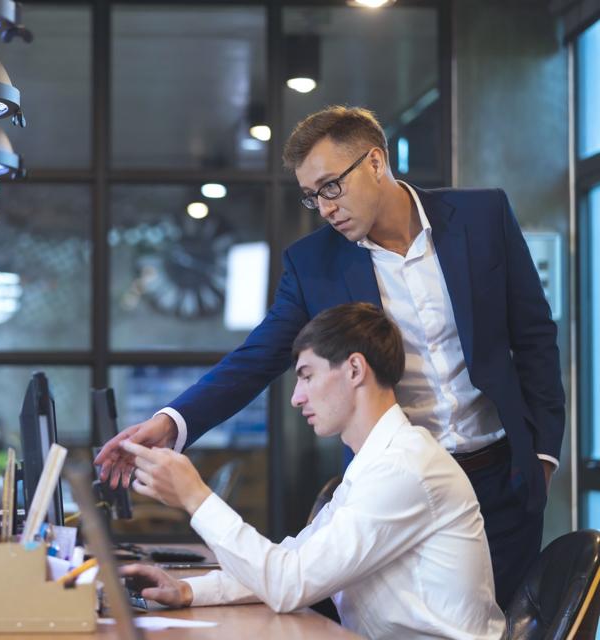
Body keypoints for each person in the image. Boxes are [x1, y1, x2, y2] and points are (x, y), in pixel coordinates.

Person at [95, 105, 564, 608]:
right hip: (394, 487)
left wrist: (542, 455)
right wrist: (174, 422)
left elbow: (535, 336)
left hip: (504, 476)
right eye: (312, 196)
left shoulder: (483, 217)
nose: (324, 207)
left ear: (376, 163)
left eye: (330, 187)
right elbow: (258, 357)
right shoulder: (313, 263)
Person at [118, 303, 505, 640]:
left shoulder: (404, 468)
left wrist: (195, 497)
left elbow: (288, 584)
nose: (296, 396)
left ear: (354, 369)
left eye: (306, 375)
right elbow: (294, 561)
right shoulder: (379, 460)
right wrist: (188, 591)